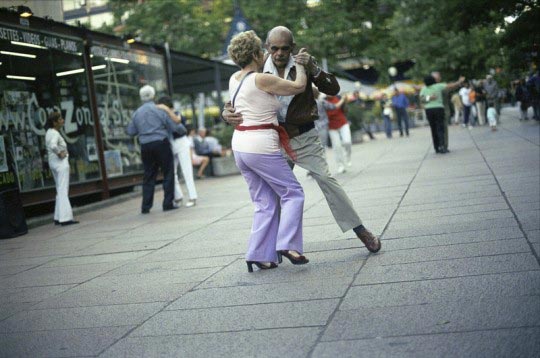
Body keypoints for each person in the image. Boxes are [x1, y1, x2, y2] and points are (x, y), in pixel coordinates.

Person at [222, 26, 381, 253]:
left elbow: (333, 89)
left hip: (304, 136)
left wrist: (313, 67)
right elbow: (237, 95)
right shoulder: (256, 65)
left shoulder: (302, 63)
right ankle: (270, 250)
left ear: (292, 48)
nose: (279, 53)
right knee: (272, 192)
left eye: (285, 49)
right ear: (266, 47)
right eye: (274, 48)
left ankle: (360, 230)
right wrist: (225, 112)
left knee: (327, 180)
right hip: (273, 140)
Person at [227, 30, 308, 272]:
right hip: (261, 144)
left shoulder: (234, 78)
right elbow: (299, 87)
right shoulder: (261, 79)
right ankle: (288, 244)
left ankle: (259, 254)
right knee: (293, 193)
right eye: (262, 51)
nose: (266, 55)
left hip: (240, 145)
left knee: (264, 202)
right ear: (254, 54)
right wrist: (301, 66)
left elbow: (233, 105)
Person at [127, 85, 185, 214]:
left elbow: (131, 131)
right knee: (168, 173)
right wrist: (183, 129)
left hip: (145, 146)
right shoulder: (159, 110)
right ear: (153, 96)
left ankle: (145, 207)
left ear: (141, 98)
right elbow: (173, 127)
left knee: (148, 176)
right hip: (161, 144)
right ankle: (167, 203)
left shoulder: (137, 113)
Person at [156, 96, 197, 208]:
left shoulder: (177, 113)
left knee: (186, 170)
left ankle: (192, 197)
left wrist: (166, 110)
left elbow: (179, 125)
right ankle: (178, 196)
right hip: (170, 144)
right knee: (171, 172)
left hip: (181, 142)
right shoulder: (161, 116)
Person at [45, 112, 79, 226]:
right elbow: (53, 145)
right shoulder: (55, 134)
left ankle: (57, 216)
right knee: (63, 190)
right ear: (54, 122)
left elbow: (50, 145)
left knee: (59, 189)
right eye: (60, 119)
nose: (62, 120)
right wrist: (60, 153)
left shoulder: (49, 132)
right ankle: (65, 218)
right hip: (60, 163)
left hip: (53, 163)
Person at [420, 74, 465, 154]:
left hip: (429, 110)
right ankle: (442, 146)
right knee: (440, 128)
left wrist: (429, 98)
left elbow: (421, 99)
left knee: (433, 129)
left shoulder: (424, 89)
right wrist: (459, 81)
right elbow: (450, 85)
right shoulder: (438, 86)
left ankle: (436, 147)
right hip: (438, 108)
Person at [326, 94, 352, 173]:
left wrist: (345, 99)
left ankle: (347, 157)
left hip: (343, 123)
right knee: (337, 146)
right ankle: (340, 165)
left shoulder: (338, 97)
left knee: (347, 142)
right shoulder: (323, 101)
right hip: (331, 127)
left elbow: (345, 105)